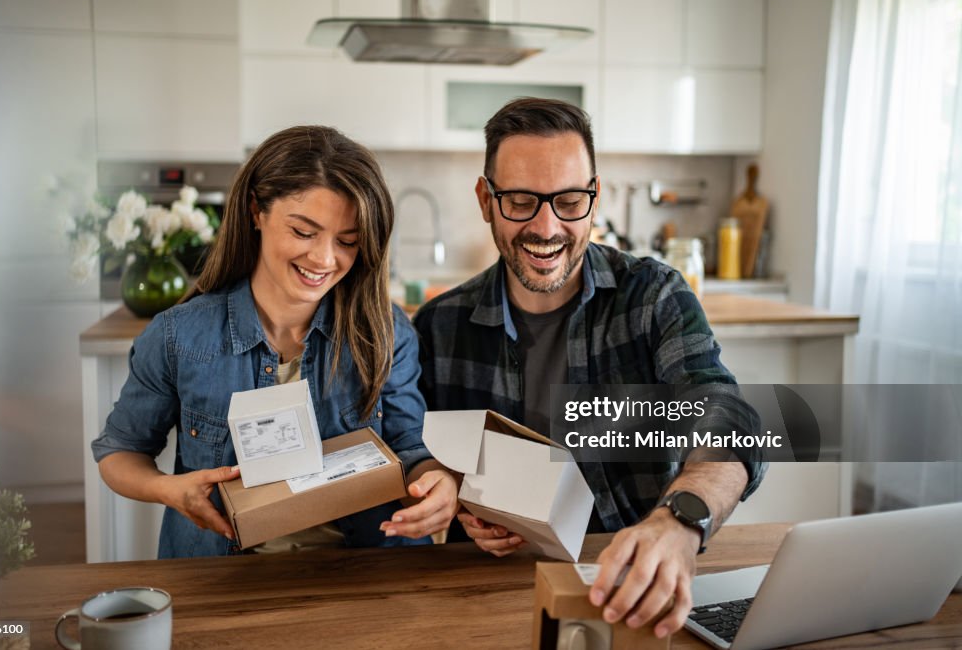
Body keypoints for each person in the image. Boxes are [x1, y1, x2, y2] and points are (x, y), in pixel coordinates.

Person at [412, 98, 766, 639]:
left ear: (594, 200)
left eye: (570, 201)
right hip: (483, 601)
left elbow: (727, 415)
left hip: (634, 593)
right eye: (522, 201)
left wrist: (681, 521)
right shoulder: (439, 326)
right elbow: (423, 457)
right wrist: (461, 500)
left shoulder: (652, 298)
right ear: (486, 200)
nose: (547, 227)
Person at [92, 125, 459, 558]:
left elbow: (412, 448)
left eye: (348, 242)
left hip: (365, 571)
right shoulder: (178, 336)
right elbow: (120, 453)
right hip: (225, 577)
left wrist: (439, 481)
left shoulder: (386, 330)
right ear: (256, 211)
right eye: (304, 232)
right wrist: (169, 490)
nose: (324, 259)